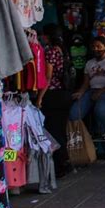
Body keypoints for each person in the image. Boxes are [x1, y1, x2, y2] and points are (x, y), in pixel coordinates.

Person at [37, 24, 72, 178]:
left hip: (53, 96)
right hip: (64, 94)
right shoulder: (63, 51)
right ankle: (65, 162)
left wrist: (40, 96)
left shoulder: (50, 51)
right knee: (60, 130)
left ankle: (60, 165)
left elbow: (48, 77)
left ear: (47, 36)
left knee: (53, 131)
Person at [69, 36, 105, 135]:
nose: (96, 49)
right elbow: (86, 83)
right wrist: (80, 93)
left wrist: (101, 92)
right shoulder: (89, 63)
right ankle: (83, 139)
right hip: (91, 91)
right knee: (74, 113)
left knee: (100, 110)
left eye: (99, 46)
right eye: (94, 47)